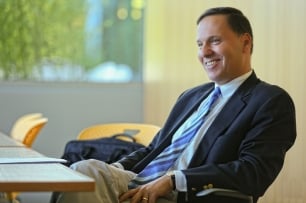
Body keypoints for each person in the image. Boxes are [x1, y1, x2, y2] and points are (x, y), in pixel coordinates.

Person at [54, 6, 296, 203]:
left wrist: (175, 179)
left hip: (185, 194)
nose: (205, 52)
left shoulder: (269, 101)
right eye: (200, 44)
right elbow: (153, 150)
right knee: (84, 171)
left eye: (215, 41)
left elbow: (252, 173)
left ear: (245, 43)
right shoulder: (191, 96)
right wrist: (113, 170)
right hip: (140, 181)